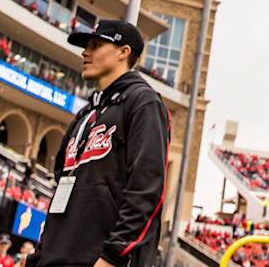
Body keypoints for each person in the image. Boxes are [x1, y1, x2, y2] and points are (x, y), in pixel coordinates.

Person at [31, 19, 170, 267]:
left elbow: (146, 188)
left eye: (95, 45)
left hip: (103, 259)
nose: (85, 52)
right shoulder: (84, 115)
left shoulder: (143, 103)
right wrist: (39, 255)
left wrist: (113, 256)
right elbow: (61, 192)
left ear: (123, 52)